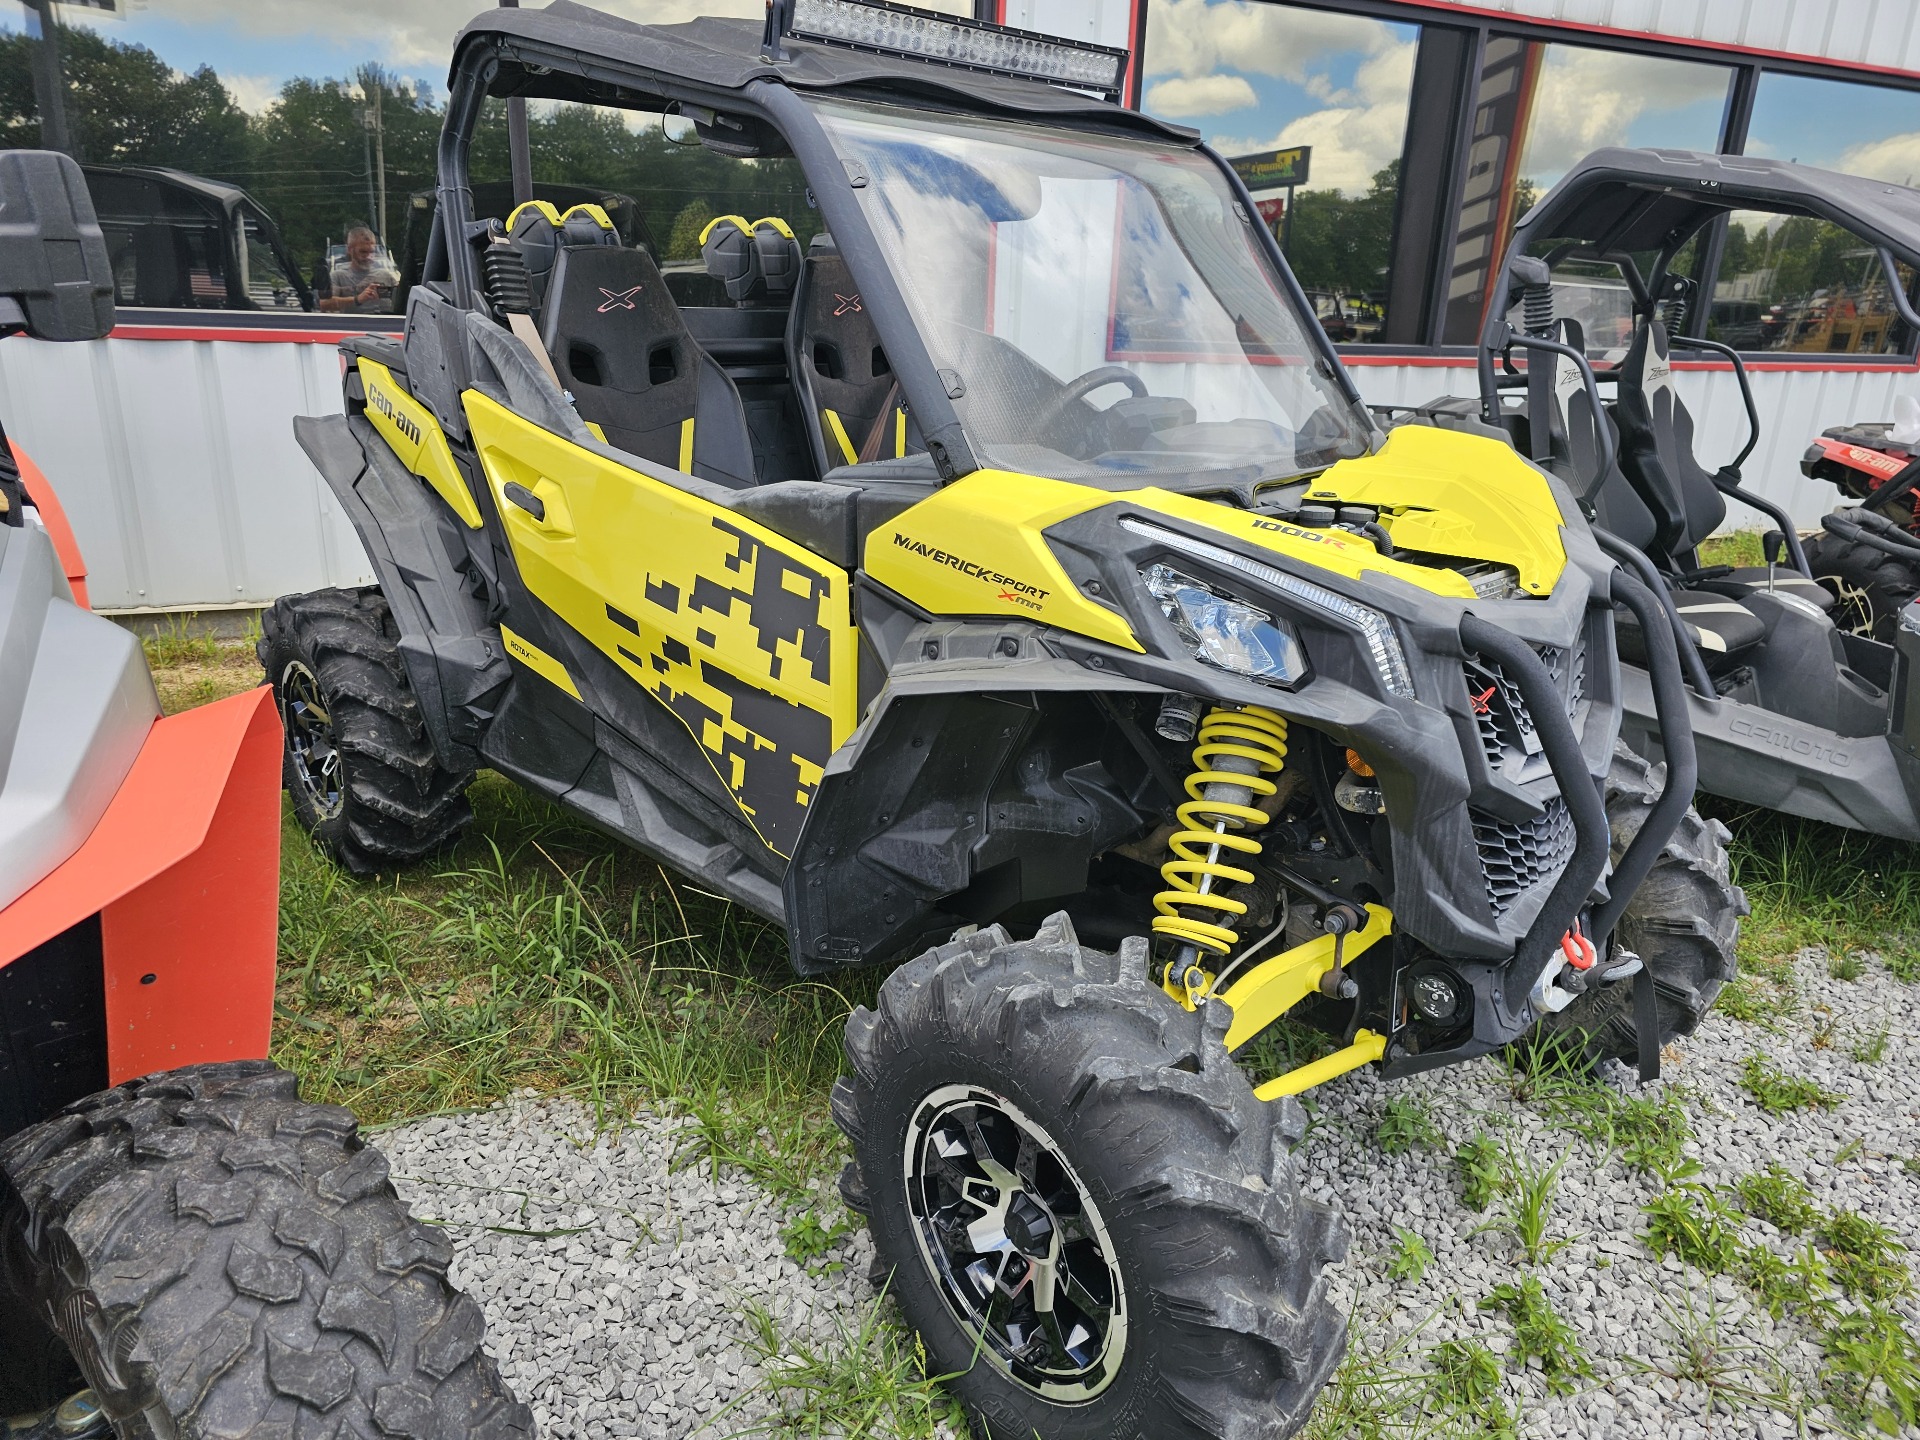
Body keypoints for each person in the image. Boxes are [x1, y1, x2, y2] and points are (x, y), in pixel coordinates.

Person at [319, 226, 396, 313]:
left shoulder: (386, 275)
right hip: (352, 325)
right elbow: (324, 304)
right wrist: (358, 299)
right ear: (350, 250)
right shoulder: (338, 276)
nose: (368, 256)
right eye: (363, 252)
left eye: (372, 252)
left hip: (386, 324)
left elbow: (405, 299)